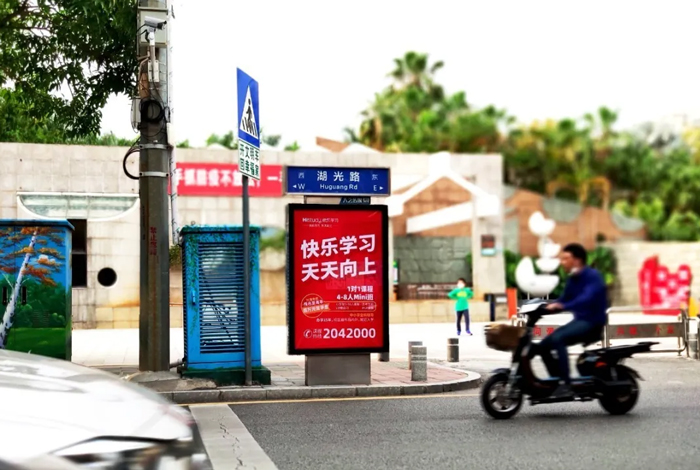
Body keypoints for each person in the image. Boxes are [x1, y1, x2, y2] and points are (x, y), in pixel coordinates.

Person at [540, 243, 608, 399]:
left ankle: (566, 384)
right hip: (580, 321)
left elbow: (586, 298)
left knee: (558, 339)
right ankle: (556, 380)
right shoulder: (573, 279)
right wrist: (544, 307)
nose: (562, 262)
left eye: (566, 258)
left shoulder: (593, 276)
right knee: (543, 345)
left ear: (577, 260)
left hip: (592, 322)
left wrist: (563, 305)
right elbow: (564, 299)